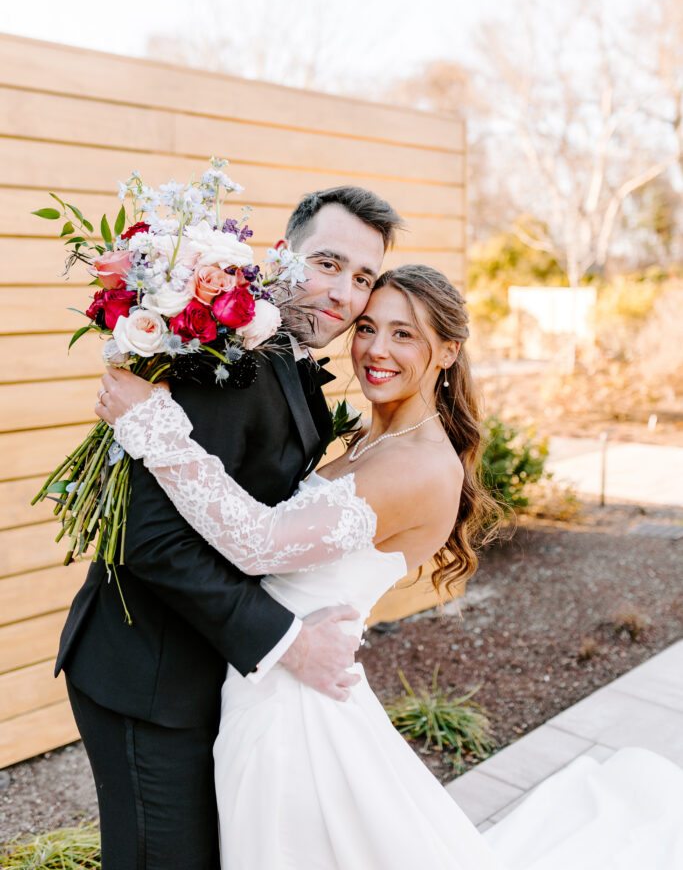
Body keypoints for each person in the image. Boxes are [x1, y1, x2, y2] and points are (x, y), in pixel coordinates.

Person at [98, 264, 683, 870]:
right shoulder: (371, 441)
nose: (377, 350)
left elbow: (259, 544)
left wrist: (153, 425)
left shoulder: (423, 467)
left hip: (295, 711)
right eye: (369, 327)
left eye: (405, 335)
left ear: (448, 352)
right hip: (274, 678)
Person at [57, 186, 403, 870]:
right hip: (146, 676)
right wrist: (287, 643)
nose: (342, 292)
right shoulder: (227, 366)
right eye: (327, 263)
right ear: (281, 256)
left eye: (362, 278)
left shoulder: (288, 366)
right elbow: (146, 537)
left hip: (205, 671)